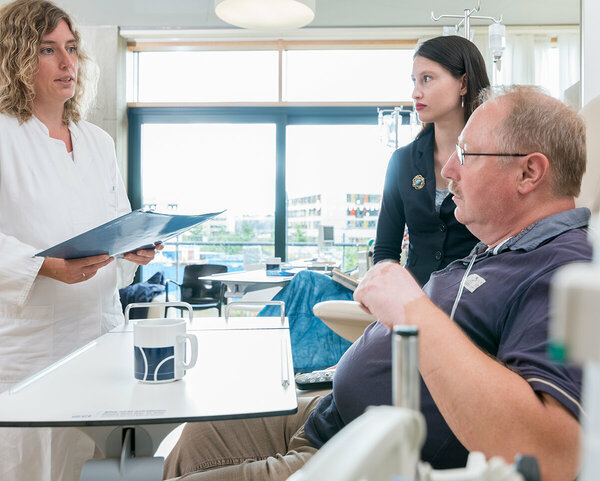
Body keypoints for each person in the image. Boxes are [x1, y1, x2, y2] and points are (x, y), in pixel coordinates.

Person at [164, 85, 589, 481]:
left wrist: (411, 308)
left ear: (529, 173)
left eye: (468, 153)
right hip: (328, 414)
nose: (451, 169)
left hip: (367, 450)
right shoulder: (498, 249)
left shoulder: (563, 270)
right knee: (198, 434)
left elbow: (548, 454)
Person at [259, 35, 490, 372]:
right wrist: (390, 300)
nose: (415, 92)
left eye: (427, 79)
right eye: (413, 81)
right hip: (410, 308)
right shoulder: (403, 161)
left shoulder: (493, 158)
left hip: (471, 309)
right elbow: (385, 251)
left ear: (463, 83)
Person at [0, 1, 158, 479]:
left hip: (102, 333)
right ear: (17, 59)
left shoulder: (97, 142)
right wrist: (42, 265)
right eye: (49, 50)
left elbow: (118, 221)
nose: (68, 63)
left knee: (100, 465)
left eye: (71, 49)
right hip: (31, 347)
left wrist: (136, 245)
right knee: (33, 465)